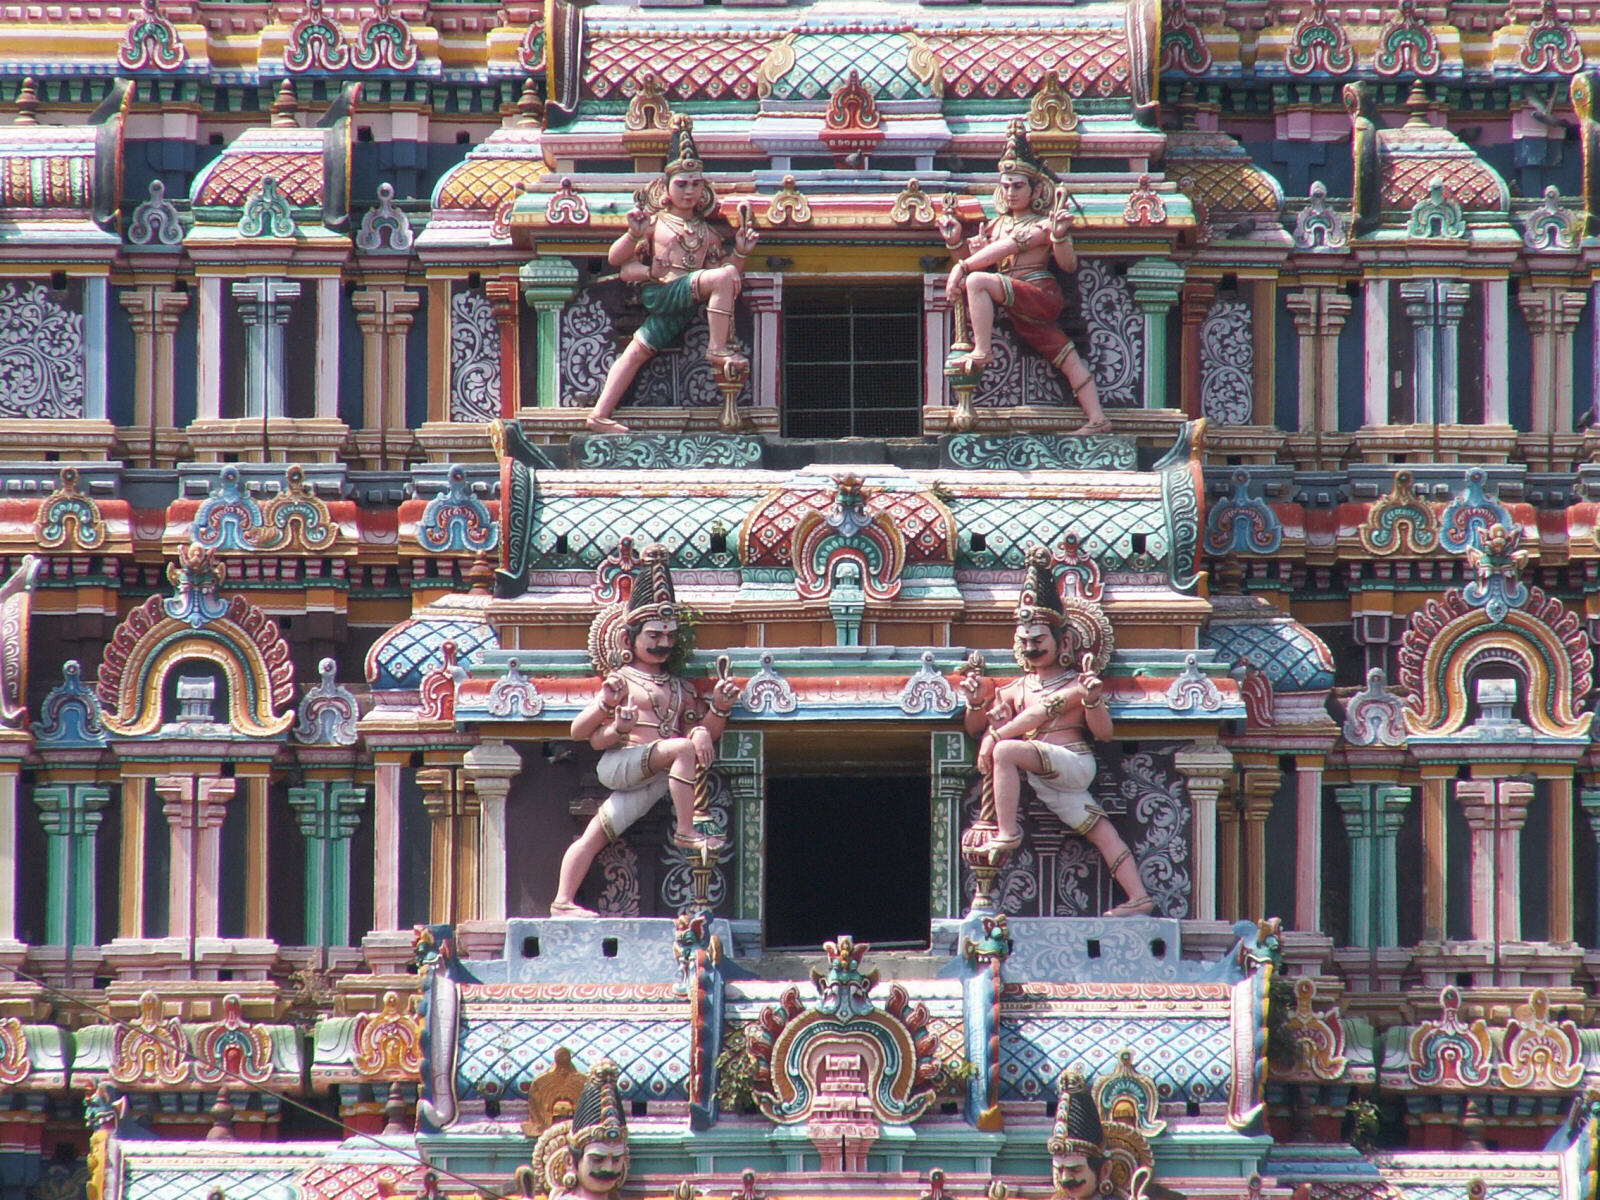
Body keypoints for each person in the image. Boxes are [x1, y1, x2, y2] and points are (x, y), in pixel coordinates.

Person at [959, 547, 1153, 917]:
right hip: (1048, 780)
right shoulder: (1016, 688)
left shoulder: (1077, 685)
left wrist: (1092, 700)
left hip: (1073, 763)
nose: (1031, 648)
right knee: (1101, 831)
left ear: (1063, 643)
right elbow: (975, 727)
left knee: (1004, 752)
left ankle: (1007, 832)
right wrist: (974, 704)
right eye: (1025, 641)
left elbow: (1104, 733)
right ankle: (1139, 897)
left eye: (1039, 640)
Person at [551, 544, 741, 918]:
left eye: (669, 636)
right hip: (622, 763)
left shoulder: (679, 687)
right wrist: (608, 707)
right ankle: (686, 830)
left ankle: (562, 901)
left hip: (656, 774)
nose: (663, 643)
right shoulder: (621, 681)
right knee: (682, 749)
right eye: (654, 635)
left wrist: (718, 708)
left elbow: (705, 733)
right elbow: (580, 733)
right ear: (628, 640)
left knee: (595, 834)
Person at [585, 114, 758, 434]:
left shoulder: (706, 232)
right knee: (720, 278)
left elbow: (729, 276)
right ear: (666, 188)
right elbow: (618, 263)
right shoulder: (656, 223)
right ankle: (717, 348)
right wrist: (633, 236)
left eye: (695, 184)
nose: (689, 191)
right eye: (682, 184)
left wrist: (741, 252)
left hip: (685, 301)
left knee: (636, 351)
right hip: (663, 290)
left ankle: (599, 415)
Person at [940, 119, 1110, 435]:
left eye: (1018, 186)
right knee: (1066, 356)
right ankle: (1098, 419)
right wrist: (956, 246)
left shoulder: (1042, 224)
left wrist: (1059, 237)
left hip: (1038, 294)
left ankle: (983, 349)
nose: (1010, 193)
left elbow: (1065, 264)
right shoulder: (996, 226)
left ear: (1035, 190)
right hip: (1020, 306)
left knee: (977, 281)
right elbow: (979, 261)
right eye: (1005, 186)